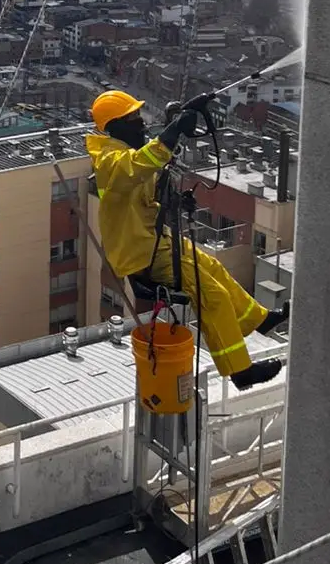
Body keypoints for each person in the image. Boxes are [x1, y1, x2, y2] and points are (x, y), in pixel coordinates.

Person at [87, 90, 286, 389]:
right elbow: (141, 164)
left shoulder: (121, 151)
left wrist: (174, 196)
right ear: (115, 125)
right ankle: (239, 371)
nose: (141, 123)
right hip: (141, 254)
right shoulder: (110, 160)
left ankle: (257, 319)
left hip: (153, 240)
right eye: (134, 118)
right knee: (212, 296)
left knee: (214, 267)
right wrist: (175, 128)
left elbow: (144, 187)